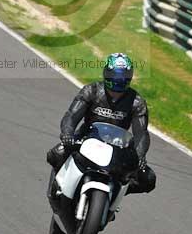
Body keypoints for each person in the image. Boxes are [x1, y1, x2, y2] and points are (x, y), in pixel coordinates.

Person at [47, 53, 156, 194]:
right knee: (56, 153)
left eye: (123, 78)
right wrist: (67, 133)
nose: (118, 81)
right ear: (106, 73)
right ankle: (57, 189)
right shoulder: (91, 90)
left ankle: (116, 193)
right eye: (115, 77)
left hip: (118, 148)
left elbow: (141, 133)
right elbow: (72, 116)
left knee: (148, 179)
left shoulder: (137, 102)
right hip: (85, 139)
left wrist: (139, 155)